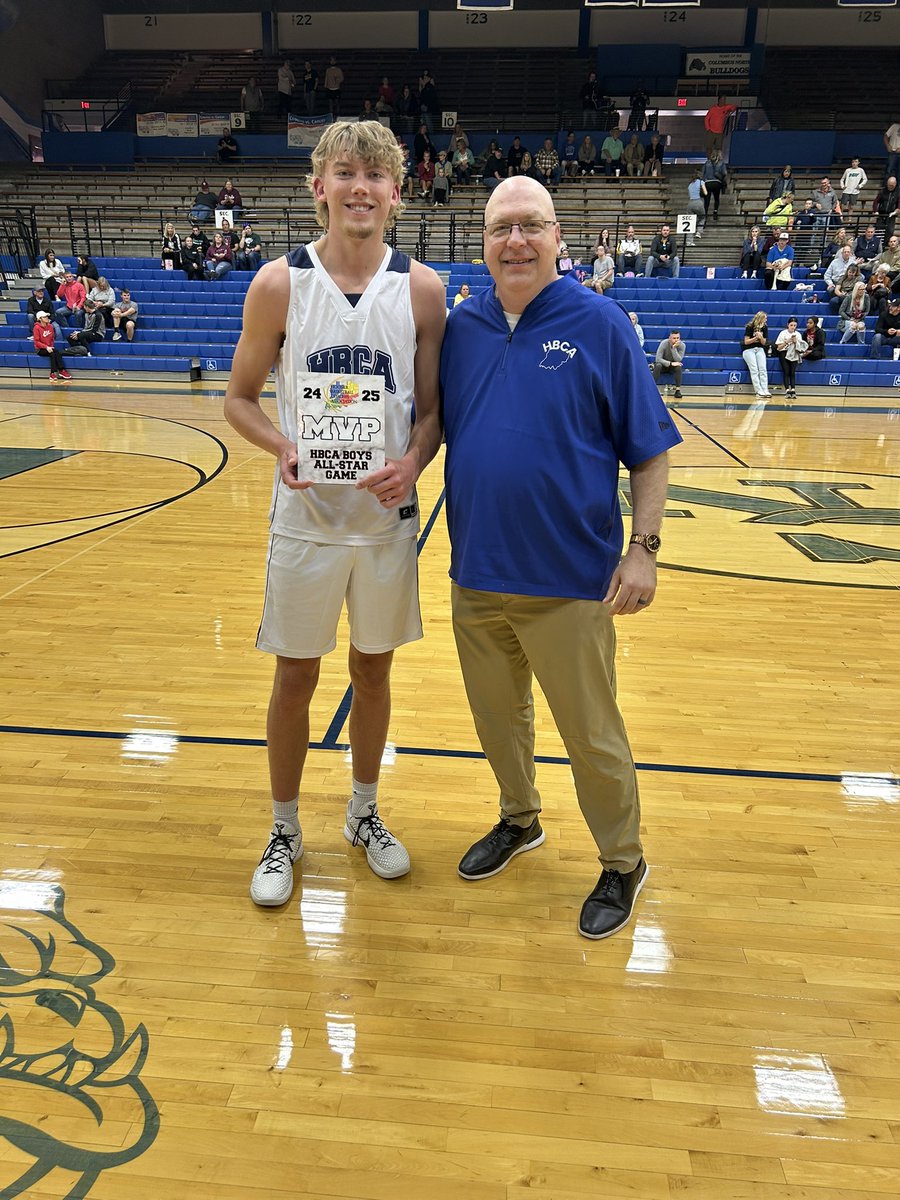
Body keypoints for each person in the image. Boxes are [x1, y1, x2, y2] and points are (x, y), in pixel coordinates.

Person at [439, 174, 682, 940]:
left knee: (591, 735)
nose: (515, 240)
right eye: (500, 228)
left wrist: (642, 550)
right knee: (496, 722)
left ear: (557, 239)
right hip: (475, 574)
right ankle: (520, 819)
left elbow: (648, 452)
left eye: (530, 225)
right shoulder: (462, 327)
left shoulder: (601, 322)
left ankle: (622, 861)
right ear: (482, 243)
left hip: (570, 581)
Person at [222, 119, 445, 905]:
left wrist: (415, 462)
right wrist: (282, 447)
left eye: (376, 175)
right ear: (319, 187)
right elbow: (238, 399)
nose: (361, 187)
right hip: (307, 521)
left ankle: (362, 812)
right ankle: (285, 827)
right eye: (345, 172)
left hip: (384, 525)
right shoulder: (280, 283)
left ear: (395, 191)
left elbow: (431, 412)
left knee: (373, 673)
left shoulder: (422, 288)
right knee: (295, 676)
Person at [32, 312, 71, 381]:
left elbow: (52, 338)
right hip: (40, 349)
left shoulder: (50, 326)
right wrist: (46, 347)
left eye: (47, 316)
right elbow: (36, 342)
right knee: (52, 353)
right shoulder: (36, 328)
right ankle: (52, 373)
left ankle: (62, 370)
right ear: (40, 319)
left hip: (49, 347)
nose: (47, 318)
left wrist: (50, 346)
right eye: (44, 317)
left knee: (57, 352)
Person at [741, 311, 771, 400]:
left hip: (759, 349)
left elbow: (764, 342)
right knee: (754, 369)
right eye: (765, 318)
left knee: (763, 369)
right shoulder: (750, 327)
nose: (766, 320)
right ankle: (758, 391)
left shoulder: (765, 327)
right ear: (760, 319)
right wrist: (755, 338)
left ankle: (765, 389)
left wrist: (761, 337)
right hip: (748, 350)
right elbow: (746, 342)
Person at [774, 317, 805, 401]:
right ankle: (787, 390)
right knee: (786, 371)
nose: (793, 327)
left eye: (795, 325)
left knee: (792, 372)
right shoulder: (783, 333)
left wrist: (796, 342)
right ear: (788, 325)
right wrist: (787, 341)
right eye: (791, 325)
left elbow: (801, 347)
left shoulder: (798, 334)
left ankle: (793, 390)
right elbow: (779, 348)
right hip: (784, 352)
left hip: (794, 353)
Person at [651, 330, 685, 398]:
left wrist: (673, 348)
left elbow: (678, 359)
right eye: (674, 338)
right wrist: (670, 363)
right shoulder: (664, 343)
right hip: (663, 365)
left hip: (673, 367)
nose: (676, 340)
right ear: (669, 338)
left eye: (678, 338)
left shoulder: (682, 345)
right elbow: (658, 358)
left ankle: (678, 390)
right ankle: (652, 388)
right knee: (658, 365)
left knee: (678, 367)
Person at [701, 151, 726, 220]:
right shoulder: (721, 163)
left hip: (707, 183)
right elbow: (724, 173)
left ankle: (705, 214)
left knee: (707, 200)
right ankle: (715, 211)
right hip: (716, 182)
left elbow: (702, 174)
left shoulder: (707, 163)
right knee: (716, 198)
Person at [873, 176, 899, 241]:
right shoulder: (883, 191)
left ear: (895, 184)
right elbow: (876, 201)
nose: (890, 187)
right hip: (881, 214)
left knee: (889, 230)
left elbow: (899, 205)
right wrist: (875, 211)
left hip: (891, 214)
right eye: (889, 185)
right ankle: (878, 243)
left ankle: (886, 245)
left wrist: (895, 212)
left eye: (892, 185)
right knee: (879, 230)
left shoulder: (898, 192)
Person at [686, 171, 707, 245]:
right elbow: (705, 193)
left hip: (690, 203)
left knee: (690, 222)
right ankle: (699, 231)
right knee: (702, 217)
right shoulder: (701, 182)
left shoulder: (690, 185)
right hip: (698, 202)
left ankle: (689, 241)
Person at [883, 120, 900, 184]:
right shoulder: (894, 126)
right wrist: (888, 146)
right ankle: (886, 187)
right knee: (889, 170)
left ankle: (898, 189)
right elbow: (885, 136)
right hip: (893, 152)